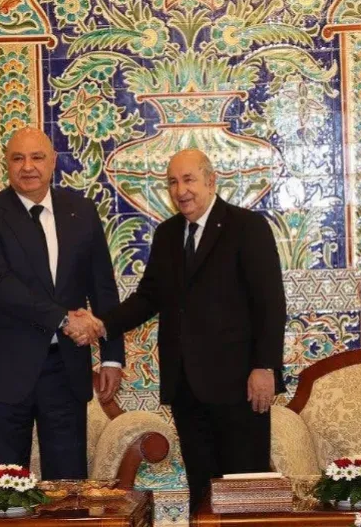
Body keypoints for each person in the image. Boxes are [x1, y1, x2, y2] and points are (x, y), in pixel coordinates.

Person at [84, 148, 287, 512]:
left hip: (239, 386)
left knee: (244, 493)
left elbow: (270, 304)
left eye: (189, 180)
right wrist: (102, 324)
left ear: (211, 181)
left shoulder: (247, 227)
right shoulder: (167, 234)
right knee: (201, 490)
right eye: (173, 182)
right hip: (186, 388)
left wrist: (265, 367)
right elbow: (148, 298)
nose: (181, 190)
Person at [0, 127, 123, 479]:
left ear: (53, 162)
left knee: (69, 487)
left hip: (66, 369)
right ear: (6, 164)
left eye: (37, 157)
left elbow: (103, 287)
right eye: (18, 158)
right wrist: (65, 319)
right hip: (5, 370)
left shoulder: (81, 211)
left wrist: (112, 356)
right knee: (6, 488)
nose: (28, 167)